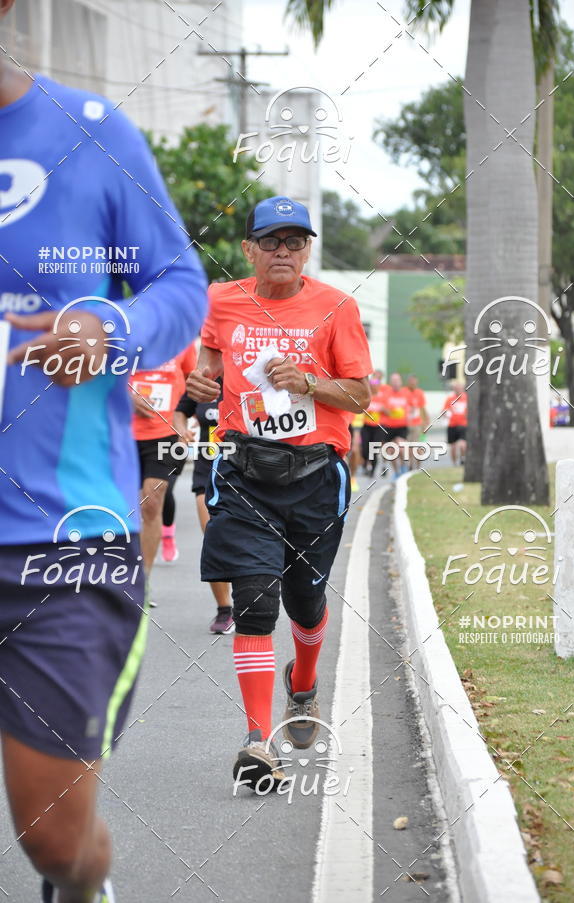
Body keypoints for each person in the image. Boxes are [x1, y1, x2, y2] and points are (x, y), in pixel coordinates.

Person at [0, 16, 207, 902]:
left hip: (60, 536)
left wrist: (110, 328)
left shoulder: (86, 131)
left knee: (55, 837)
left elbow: (179, 284)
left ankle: (82, 886)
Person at [186, 196, 372, 790]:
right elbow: (207, 370)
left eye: (295, 241)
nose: (283, 251)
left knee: (306, 604)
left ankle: (305, 682)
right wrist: (199, 382)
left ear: (308, 249)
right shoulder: (221, 302)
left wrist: (312, 383)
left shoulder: (336, 307)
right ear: (249, 250)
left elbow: (360, 397)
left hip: (316, 475)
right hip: (244, 473)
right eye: (271, 241)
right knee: (256, 602)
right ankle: (256, 741)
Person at [130, 343, 197, 594]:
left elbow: (195, 381)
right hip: (122, 433)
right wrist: (126, 396)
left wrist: (186, 418)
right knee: (120, 505)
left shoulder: (183, 338)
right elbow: (100, 374)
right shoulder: (122, 331)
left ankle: (142, 582)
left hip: (165, 434)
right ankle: (118, 573)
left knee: (152, 500)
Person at [173, 385, 234, 634]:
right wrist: (181, 430)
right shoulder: (203, 381)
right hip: (207, 467)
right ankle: (224, 609)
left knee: (247, 540)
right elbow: (180, 412)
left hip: (249, 469)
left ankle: (251, 600)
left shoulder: (253, 373)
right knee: (213, 537)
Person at [379, 372, 411, 478]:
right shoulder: (386, 393)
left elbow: (409, 408)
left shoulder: (406, 393)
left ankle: (403, 467)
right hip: (388, 425)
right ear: (390, 383)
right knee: (390, 450)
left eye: (397, 381)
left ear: (401, 382)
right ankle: (396, 472)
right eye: (393, 381)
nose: (396, 383)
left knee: (401, 446)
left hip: (401, 425)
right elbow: (383, 408)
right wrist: (392, 412)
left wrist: (404, 413)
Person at [362, 370, 387, 478]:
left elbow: (389, 411)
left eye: (376, 384)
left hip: (379, 426)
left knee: (375, 449)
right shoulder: (366, 396)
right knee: (364, 448)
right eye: (371, 384)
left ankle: (372, 469)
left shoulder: (383, 396)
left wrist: (382, 409)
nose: (373, 386)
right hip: (366, 425)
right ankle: (366, 463)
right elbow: (360, 409)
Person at [406, 374, 429, 470]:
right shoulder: (404, 392)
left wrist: (426, 422)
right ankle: (411, 465)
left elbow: (422, 408)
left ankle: (417, 466)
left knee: (417, 446)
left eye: (414, 381)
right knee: (409, 447)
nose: (413, 383)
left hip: (418, 424)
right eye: (411, 381)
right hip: (407, 424)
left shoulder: (419, 393)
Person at [443, 381, 468, 465]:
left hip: (463, 425)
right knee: (453, 447)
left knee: (462, 445)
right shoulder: (450, 399)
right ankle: (454, 464)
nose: (458, 390)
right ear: (454, 389)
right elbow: (444, 410)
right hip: (452, 425)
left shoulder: (466, 398)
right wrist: (446, 414)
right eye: (456, 388)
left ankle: (463, 458)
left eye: (459, 388)